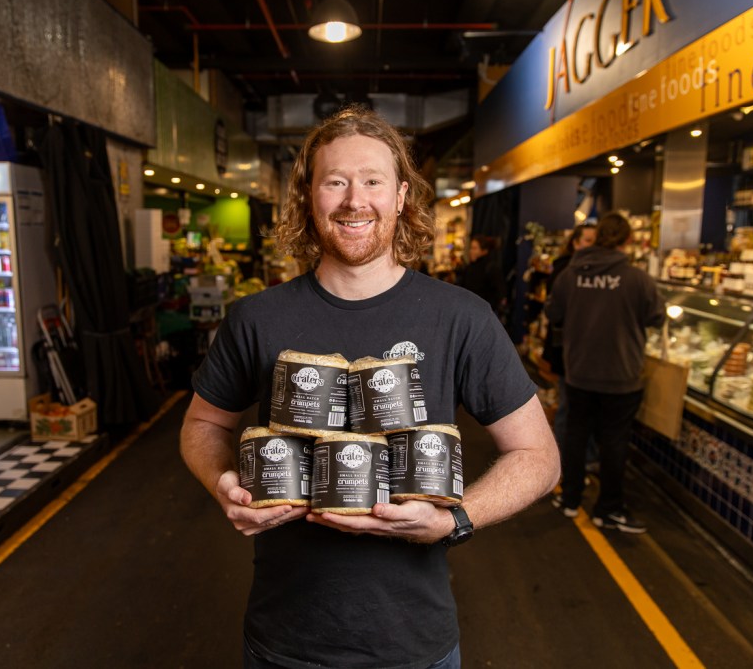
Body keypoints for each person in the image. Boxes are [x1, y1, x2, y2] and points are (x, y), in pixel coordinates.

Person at [180, 105, 559, 669]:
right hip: (284, 643)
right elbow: (203, 424)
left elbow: (540, 457)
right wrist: (223, 485)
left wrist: (452, 520)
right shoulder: (255, 318)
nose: (355, 200)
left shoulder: (461, 318)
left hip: (415, 646)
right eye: (335, 181)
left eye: (373, 181)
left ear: (401, 195)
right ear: (309, 196)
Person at [545, 212, 665, 533]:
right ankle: (608, 509)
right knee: (614, 441)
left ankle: (570, 499)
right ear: (628, 241)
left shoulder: (571, 275)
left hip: (580, 371)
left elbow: (553, 313)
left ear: (597, 237)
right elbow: (657, 318)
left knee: (575, 434)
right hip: (622, 375)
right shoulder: (638, 279)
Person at [541, 224, 596, 467]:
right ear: (575, 242)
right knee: (567, 406)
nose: (590, 246)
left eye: (594, 241)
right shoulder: (567, 270)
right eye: (586, 240)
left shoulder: (591, 270)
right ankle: (561, 460)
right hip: (568, 349)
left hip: (583, 351)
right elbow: (554, 310)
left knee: (575, 407)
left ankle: (579, 459)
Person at [458, 234, 506, 313]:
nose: (471, 251)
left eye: (474, 248)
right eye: (471, 248)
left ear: (484, 251)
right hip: (469, 311)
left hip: (484, 313)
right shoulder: (469, 267)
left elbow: (499, 292)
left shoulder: (491, 268)